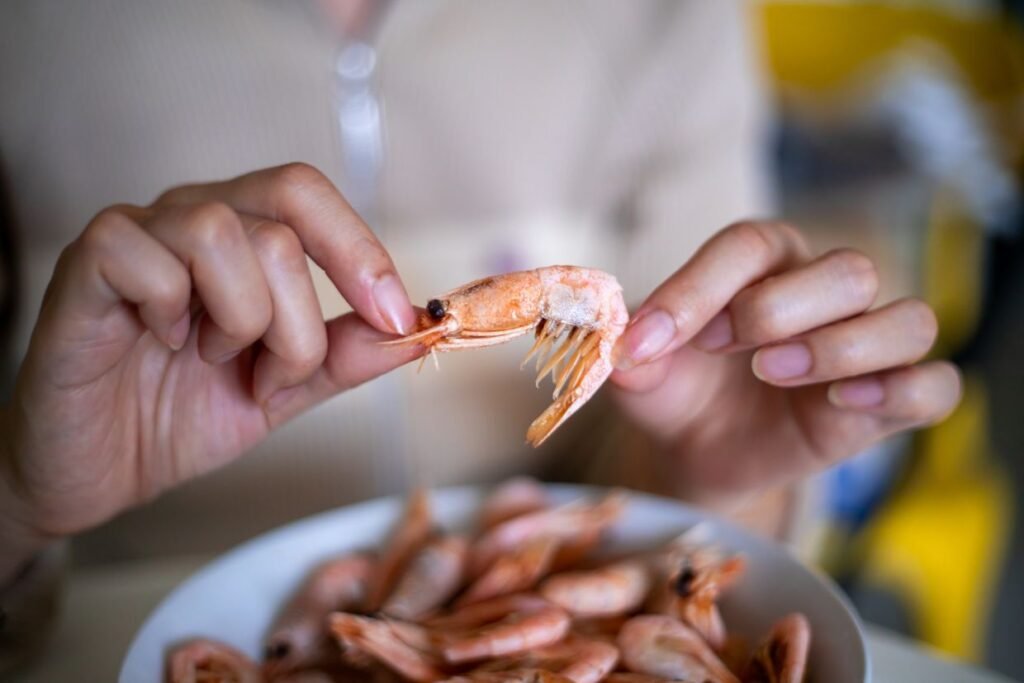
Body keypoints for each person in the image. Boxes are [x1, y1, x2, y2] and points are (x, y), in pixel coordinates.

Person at [0, 1, 960, 674]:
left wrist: (716, 474)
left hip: (544, 593)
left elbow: (678, 552)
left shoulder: (668, 15)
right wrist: (18, 497)